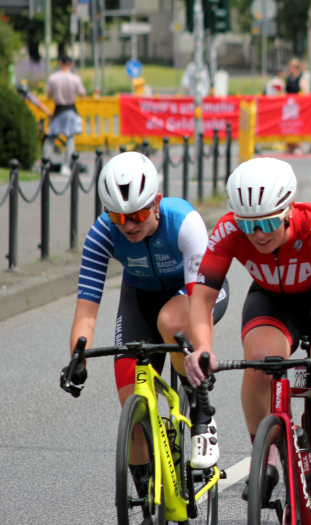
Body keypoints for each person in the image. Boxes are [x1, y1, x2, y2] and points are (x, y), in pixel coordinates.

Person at [185, 158, 311, 525]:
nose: (258, 234)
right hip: (273, 299)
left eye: (269, 222)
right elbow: (202, 297)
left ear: (288, 209)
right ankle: (266, 450)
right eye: (248, 224)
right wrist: (202, 347)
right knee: (258, 362)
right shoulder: (227, 231)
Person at [61, 152, 229, 519]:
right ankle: (148, 496)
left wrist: (201, 352)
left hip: (195, 293)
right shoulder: (103, 234)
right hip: (139, 299)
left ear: (156, 201)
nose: (128, 225)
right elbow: (87, 310)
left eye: (136, 214)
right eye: (118, 216)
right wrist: (77, 358)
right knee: (130, 402)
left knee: (172, 318)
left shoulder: (183, 222)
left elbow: (199, 302)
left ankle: (200, 407)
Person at [44, 55, 85, 176]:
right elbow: (82, 94)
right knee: (70, 138)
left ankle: (45, 162)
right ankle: (66, 165)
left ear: (60, 63)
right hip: (70, 109)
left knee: (51, 137)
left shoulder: (53, 78)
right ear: (71, 64)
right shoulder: (75, 79)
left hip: (58, 109)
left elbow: (49, 95)